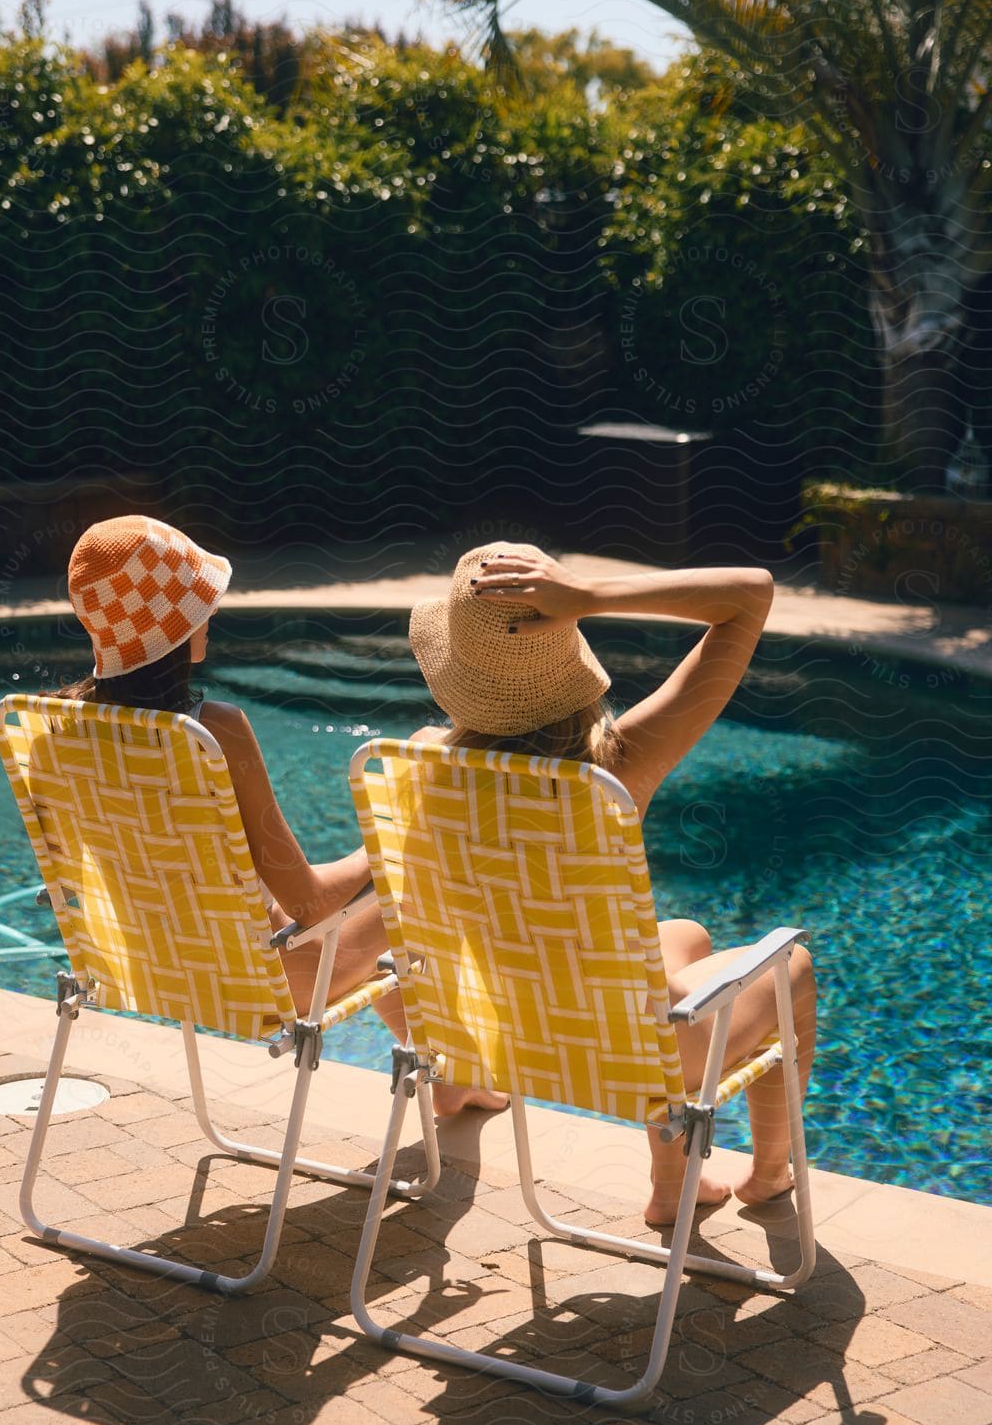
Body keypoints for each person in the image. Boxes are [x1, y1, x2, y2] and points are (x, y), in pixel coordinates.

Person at [408, 541, 817, 1224]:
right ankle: (769, 1175)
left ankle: (673, 1183)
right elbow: (749, 595)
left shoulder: (417, 766)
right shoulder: (615, 769)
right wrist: (588, 595)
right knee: (791, 968)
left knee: (684, 936)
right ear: (564, 649)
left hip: (494, 1038)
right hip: (634, 1059)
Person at [60, 513, 498, 1118]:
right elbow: (311, 909)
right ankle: (456, 1072)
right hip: (265, 979)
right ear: (182, 622)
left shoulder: (52, 728)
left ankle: (451, 1074)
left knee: (385, 898)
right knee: (425, 885)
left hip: (142, 967)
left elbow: (259, 886)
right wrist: (402, 825)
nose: (212, 614)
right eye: (202, 604)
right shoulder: (213, 731)